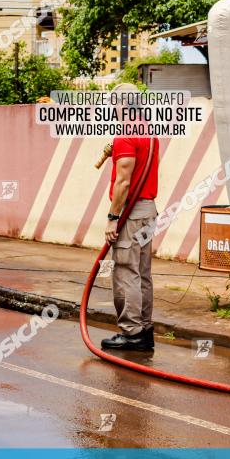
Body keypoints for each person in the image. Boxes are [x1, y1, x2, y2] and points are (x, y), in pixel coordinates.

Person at [101, 85, 159, 351]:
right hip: (148, 211)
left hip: (131, 213)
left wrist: (113, 217)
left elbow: (123, 182)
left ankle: (131, 332)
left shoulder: (126, 135)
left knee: (126, 272)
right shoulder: (149, 132)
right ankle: (145, 330)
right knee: (142, 273)